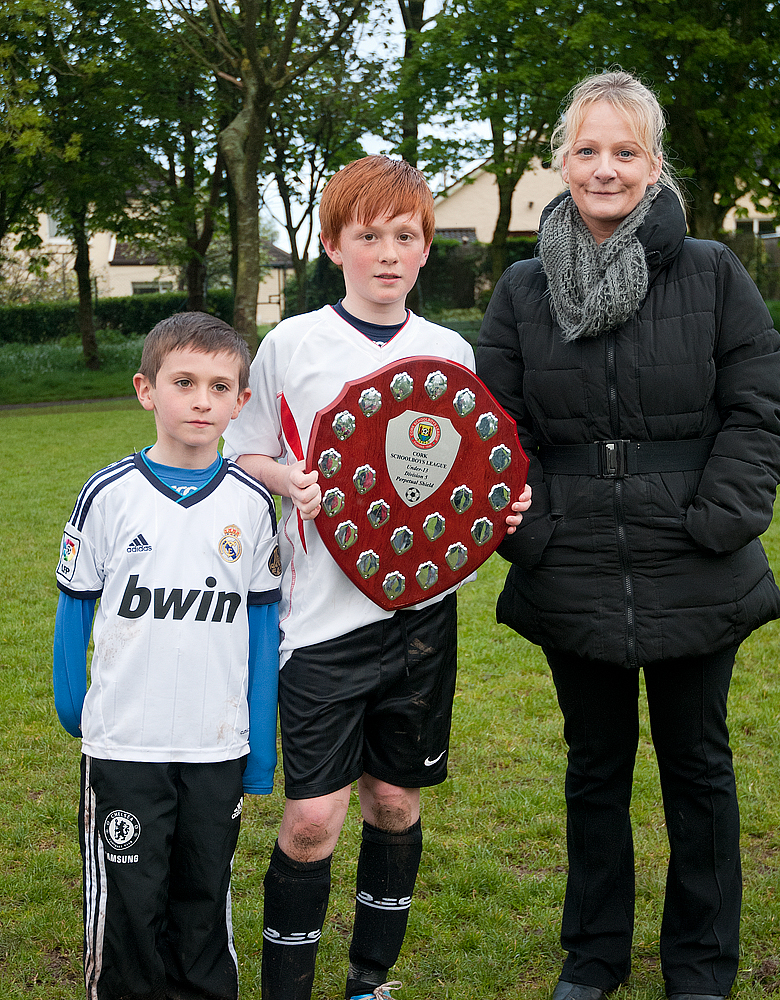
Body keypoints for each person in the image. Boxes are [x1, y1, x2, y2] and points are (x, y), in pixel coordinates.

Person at [476, 71, 780, 1000]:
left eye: (625, 151)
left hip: (696, 559)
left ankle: (700, 964)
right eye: (587, 150)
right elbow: (499, 428)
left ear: (654, 165)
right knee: (595, 766)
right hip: (569, 558)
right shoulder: (525, 289)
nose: (604, 168)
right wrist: (531, 534)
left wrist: (719, 520)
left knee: (699, 766)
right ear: (560, 164)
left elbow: (759, 412)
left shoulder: (712, 272)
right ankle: (595, 954)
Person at [222, 153, 531, 1000]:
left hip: (423, 621)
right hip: (321, 621)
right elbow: (246, 450)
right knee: (315, 818)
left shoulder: (450, 349)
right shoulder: (293, 344)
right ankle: (289, 987)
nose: (388, 253)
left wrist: (496, 510)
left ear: (427, 249)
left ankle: (370, 981)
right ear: (334, 245)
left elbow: (466, 472)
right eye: (369, 236)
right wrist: (289, 478)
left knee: (394, 801)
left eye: (406, 236)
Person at [53, 312, 282, 1000]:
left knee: (203, 895)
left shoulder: (252, 503)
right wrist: (79, 715)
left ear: (242, 402)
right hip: (126, 746)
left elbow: (263, 633)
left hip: (216, 749)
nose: (202, 400)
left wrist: (260, 750)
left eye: (220, 386)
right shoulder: (108, 496)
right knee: (129, 904)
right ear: (147, 389)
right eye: (184, 382)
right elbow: (74, 615)